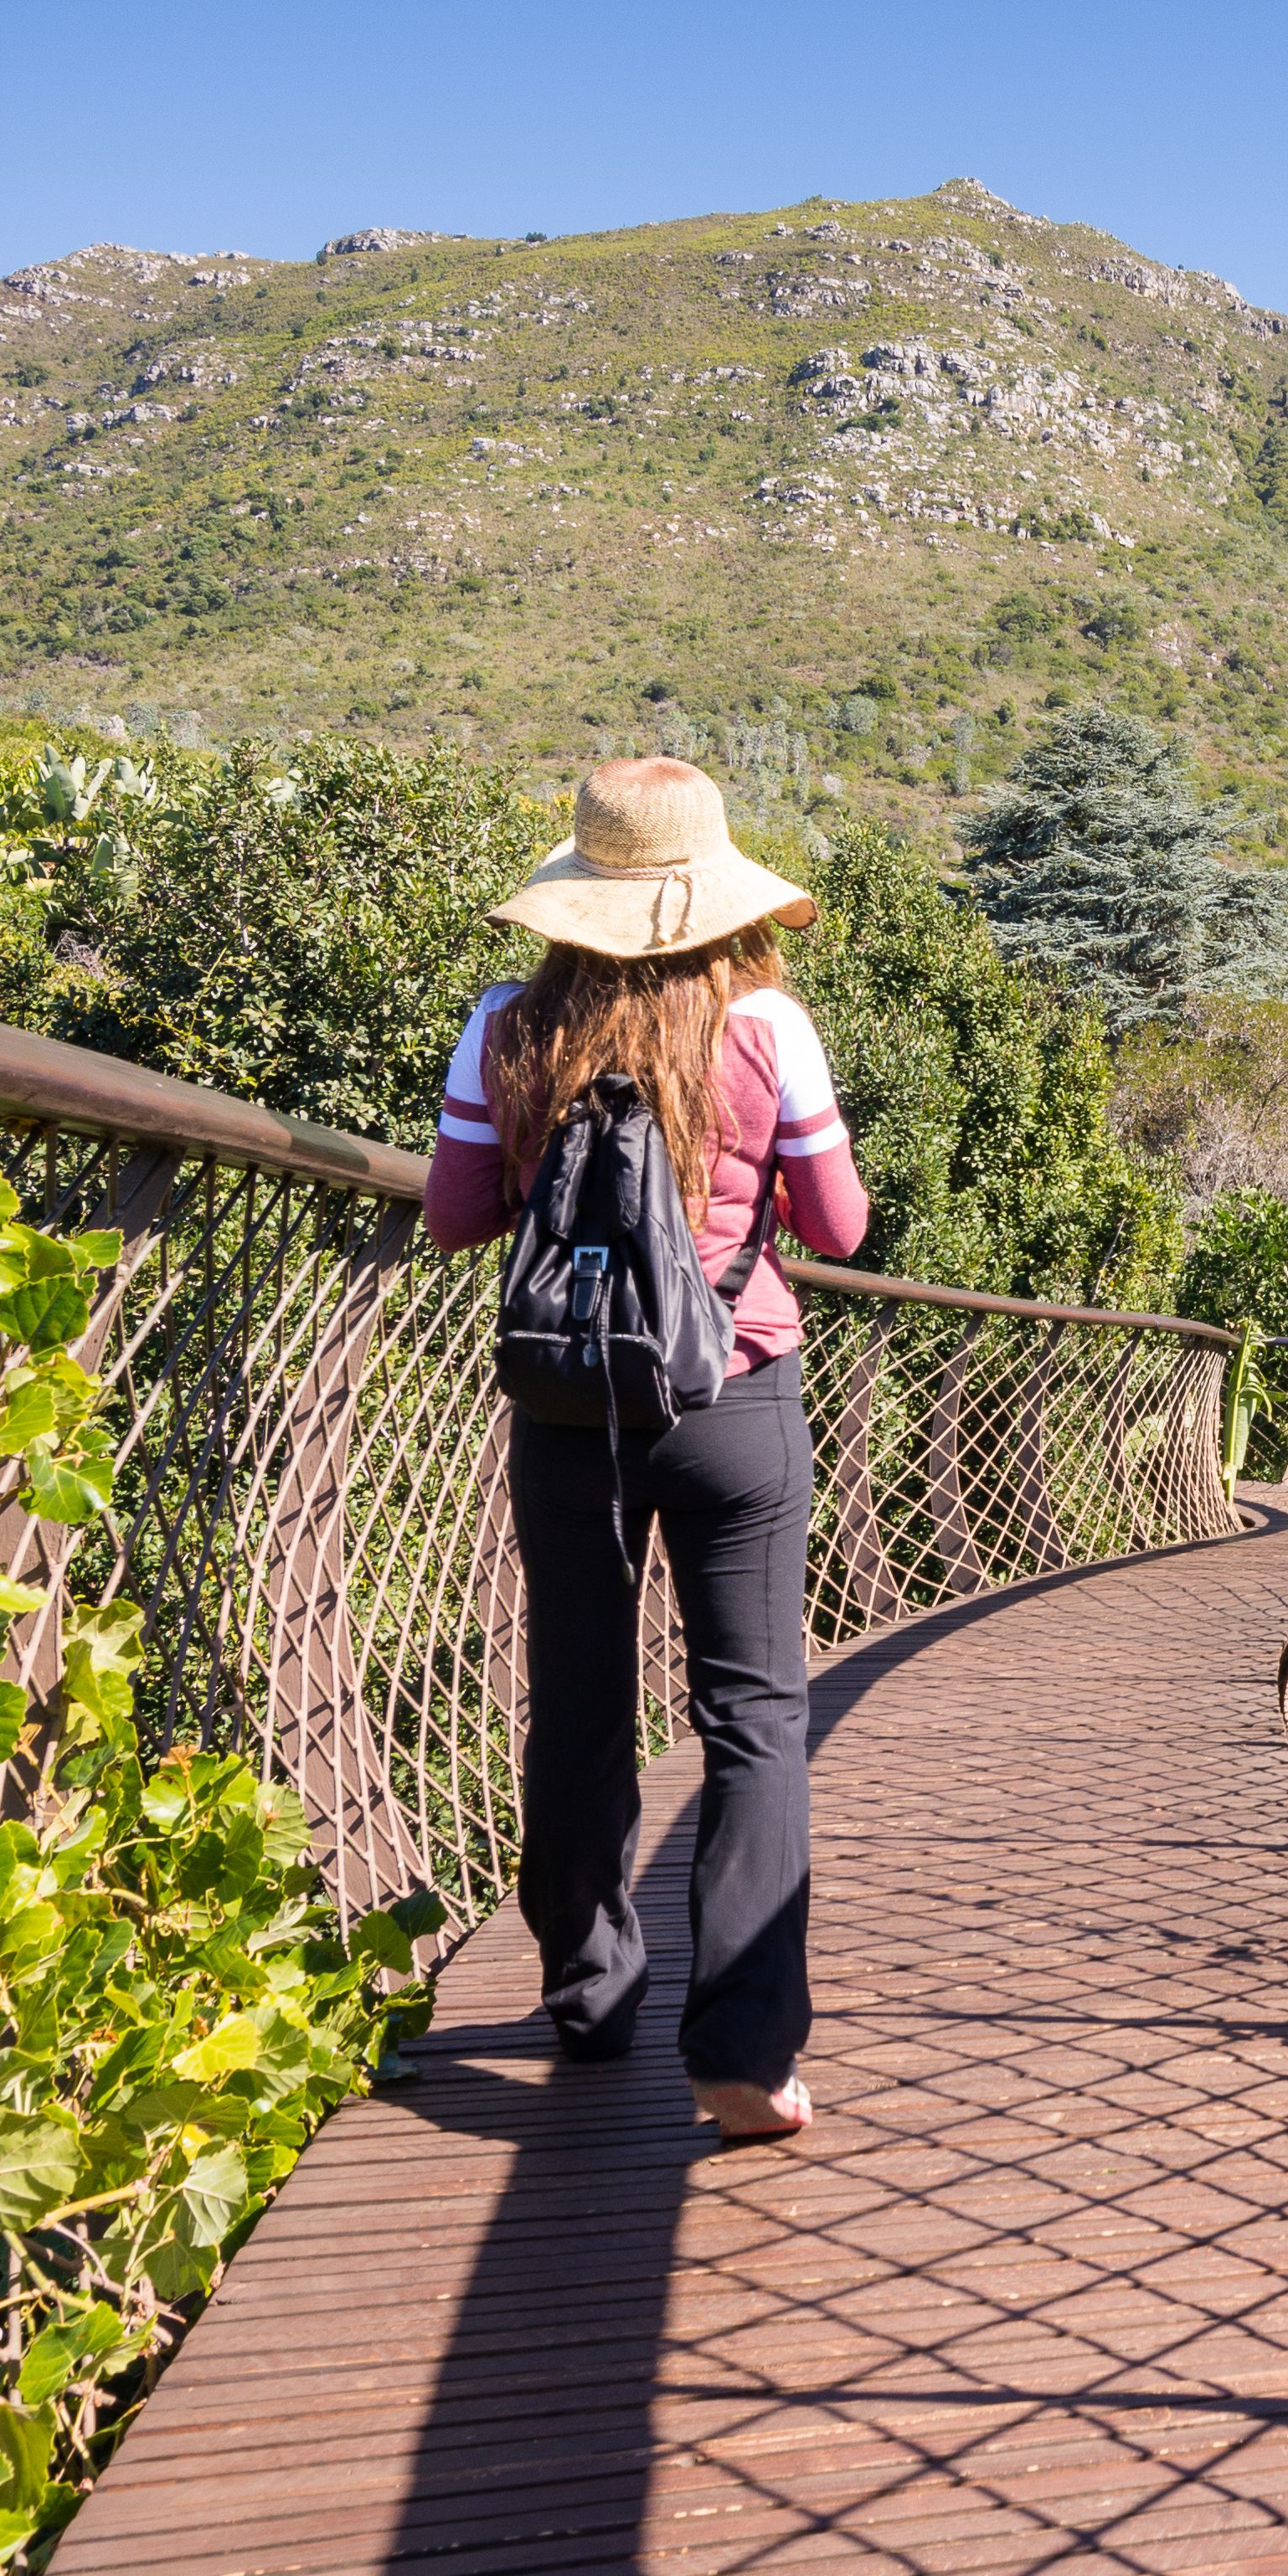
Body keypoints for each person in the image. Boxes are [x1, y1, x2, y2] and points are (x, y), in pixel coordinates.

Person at [424, 758, 869, 2143]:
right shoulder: (767, 1027)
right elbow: (841, 1227)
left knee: (576, 1698)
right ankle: (740, 2047)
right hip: (735, 1395)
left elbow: (454, 1216)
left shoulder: (504, 1027)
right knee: (754, 1717)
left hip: (566, 1410)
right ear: (718, 894)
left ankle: (589, 1994)